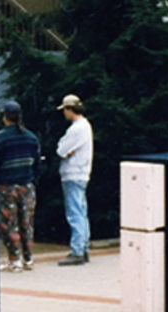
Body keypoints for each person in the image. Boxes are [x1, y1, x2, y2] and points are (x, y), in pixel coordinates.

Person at [0, 100, 41, 272]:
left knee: (9, 223)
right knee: (26, 222)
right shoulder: (31, 137)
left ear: (5, 117)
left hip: (6, 186)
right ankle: (28, 258)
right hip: (26, 185)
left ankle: (14, 259)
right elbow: (37, 164)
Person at [55, 93, 92, 266]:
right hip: (82, 173)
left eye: (65, 110)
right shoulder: (86, 126)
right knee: (81, 211)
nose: (64, 113)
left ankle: (77, 250)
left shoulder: (76, 129)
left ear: (70, 110)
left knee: (74, 212)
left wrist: (65, 149)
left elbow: (61, 150)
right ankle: (83, 248)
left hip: (72, 173)